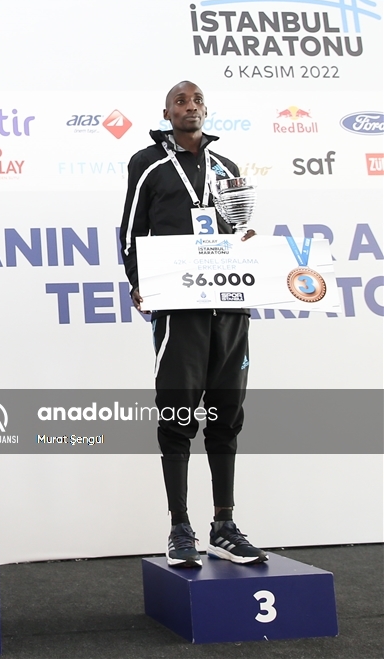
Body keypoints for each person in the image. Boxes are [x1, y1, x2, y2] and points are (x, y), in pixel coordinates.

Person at [120, 80, 267, 569]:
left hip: (229, 308)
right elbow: (132, 230)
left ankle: (224, 525)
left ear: (207, 109)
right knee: (178, 416)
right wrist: (138, 281)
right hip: (179, 309)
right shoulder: (148, 163)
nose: (191, 107)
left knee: (226, 418)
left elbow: (236, 231)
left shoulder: (227, 167)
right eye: (181, 101)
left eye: (197, 100)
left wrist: (247, 248)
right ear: (166, 112)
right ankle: (179, 526)